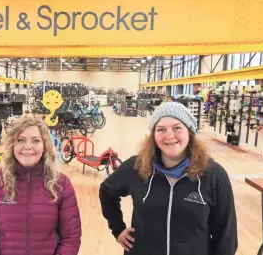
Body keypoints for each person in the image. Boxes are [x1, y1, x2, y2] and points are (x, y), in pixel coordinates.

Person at [99, 101, 238, 255]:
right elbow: (107, 191)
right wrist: (117, 229)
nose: (169, 136)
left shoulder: (213, 175)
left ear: (189, 131)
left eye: (177, 128)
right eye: (161, 129)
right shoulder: (136, 166)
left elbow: (226, 235)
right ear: (153, 135)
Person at [0, 116, 82, 255]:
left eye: (35, 141)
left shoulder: (61, 184)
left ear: (45, 146)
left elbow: (71, 238)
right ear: (13, 145)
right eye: (21, 140)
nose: (28, 147)